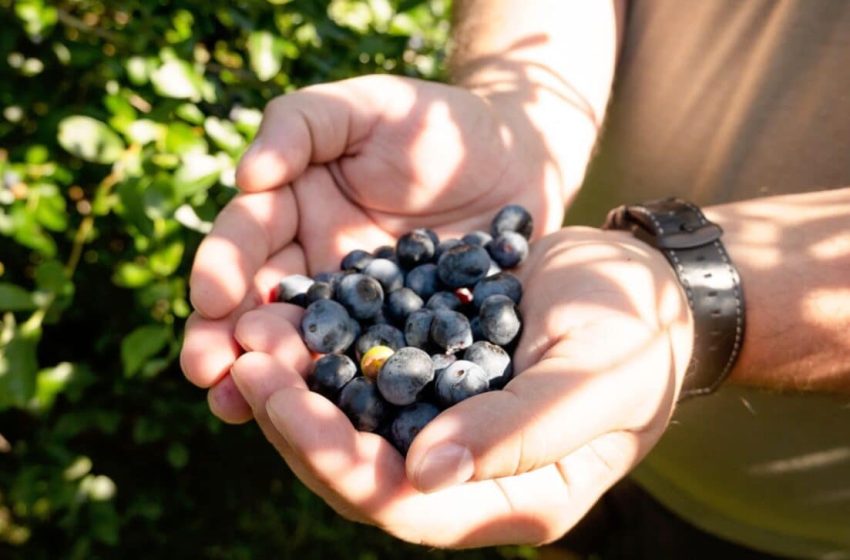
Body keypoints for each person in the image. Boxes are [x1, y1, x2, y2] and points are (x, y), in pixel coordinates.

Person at [180, 1, 850, 557]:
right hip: (554, 362)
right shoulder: (472, 309)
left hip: (790, 520)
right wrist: (519, 120)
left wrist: (691, 295)